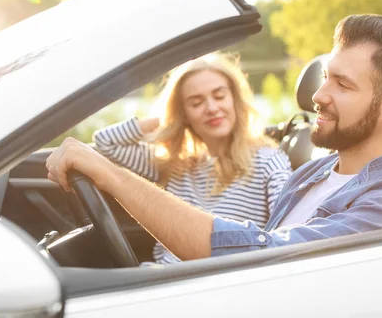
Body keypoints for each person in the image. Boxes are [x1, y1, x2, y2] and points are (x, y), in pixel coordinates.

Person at [46, 14, 382, 262]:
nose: (319, 96)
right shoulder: (318, 171)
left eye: (342, 84)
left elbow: (262, 258)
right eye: (326, 77)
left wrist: (112, 176)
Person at [90, 52, 292, 264]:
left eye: (220, 96)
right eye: (196, 103)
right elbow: (106, 142)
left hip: (210, 280)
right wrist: (168, 120)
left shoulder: (269, 160)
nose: (212, 108)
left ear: (235, 99)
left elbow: (290, 230)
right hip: (163, 273)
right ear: (184, 114)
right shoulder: (173, 163)